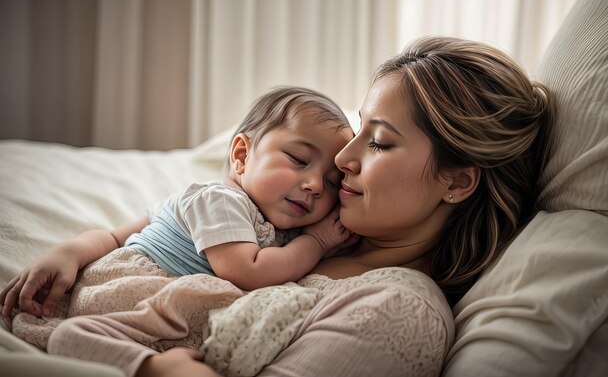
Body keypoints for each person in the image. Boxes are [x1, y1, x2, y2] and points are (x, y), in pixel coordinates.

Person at [2, 36, 555, 377]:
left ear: (456, 183)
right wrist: (78, 250)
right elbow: (172, 215)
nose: (344, 157)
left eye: (380, 142)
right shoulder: (297, 228)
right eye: (359, 132)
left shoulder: (396, 311)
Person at [0, 86, 354, 319]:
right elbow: (249, 271)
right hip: (131, 295)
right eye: (297, 159)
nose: (314, 186)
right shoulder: (219, 200)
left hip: (167, 309)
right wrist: (69, 254)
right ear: (242, 155)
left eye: (331, 180)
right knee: (91, 337)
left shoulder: (284, 234)